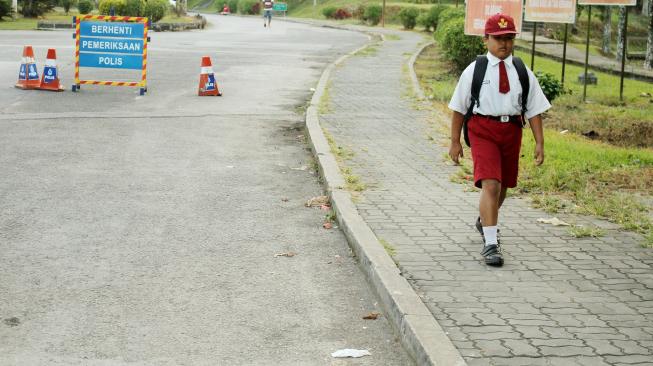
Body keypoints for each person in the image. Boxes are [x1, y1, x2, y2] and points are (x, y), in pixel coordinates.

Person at [447, 13, 550, 267]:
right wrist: (454, 141)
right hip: (483, 129)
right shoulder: (475, 70)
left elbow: (534, 109)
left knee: (503, 186)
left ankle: (485, 220)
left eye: (508, 38)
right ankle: (491, 244)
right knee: (490, 185)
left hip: (511, 131)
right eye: (497, 38)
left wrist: (539, 143)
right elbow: (459, 108)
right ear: (486, 39)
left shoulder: (521, 70)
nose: (503, 43)